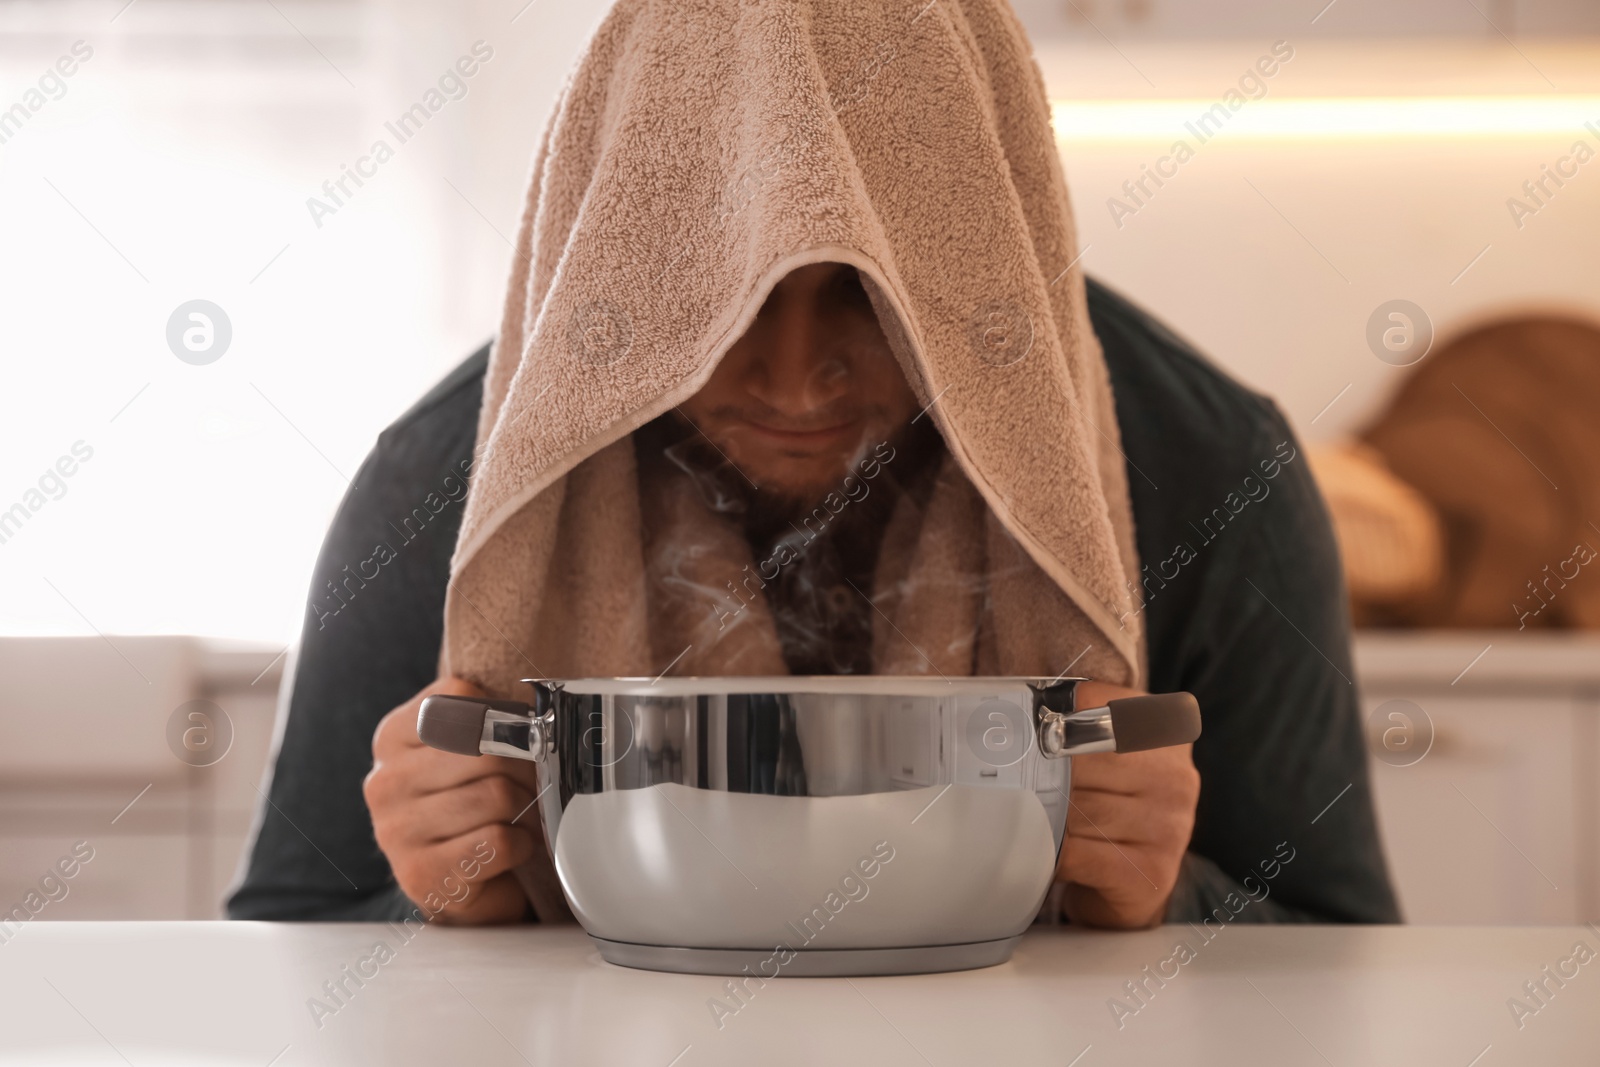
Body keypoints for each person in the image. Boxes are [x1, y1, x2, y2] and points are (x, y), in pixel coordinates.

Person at [228, 0, 1398, 931]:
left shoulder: (1205, 466)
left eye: (862, 292)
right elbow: (287, 928)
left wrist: (1171, 894)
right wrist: (441, 897)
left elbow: (1345, 947)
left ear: (970, 252)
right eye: (720, 289)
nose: (793, 381)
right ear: (632, 256)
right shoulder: (452, 482)